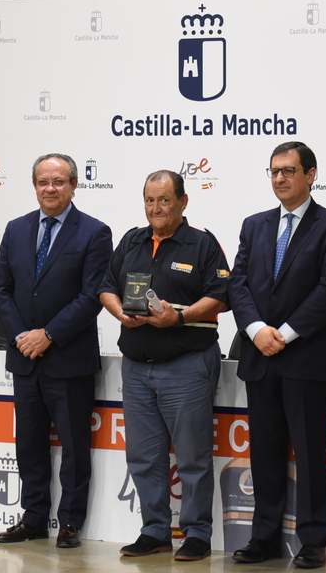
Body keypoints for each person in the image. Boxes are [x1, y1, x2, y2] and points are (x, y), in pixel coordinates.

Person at [227, 141, 326, 569]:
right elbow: (237, 284)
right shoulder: (254, 225)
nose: (280, 178)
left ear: (311, 175)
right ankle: (263, 537)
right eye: (274, 171)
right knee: (264, 453)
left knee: (310, 454)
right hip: (260, 356)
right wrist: (256, 330)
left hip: (307, 359)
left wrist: (282, 333)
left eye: (289, 170)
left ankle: (313, 541)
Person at [99, 170, 230, 562]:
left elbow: (222, 295)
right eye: (150, 200)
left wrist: (181, 317)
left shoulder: (202, 243)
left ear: (183, 202)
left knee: (192, 458)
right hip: (136, 367)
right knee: (143, 456)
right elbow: (106, 287)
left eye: (165, 200)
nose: (156, 208)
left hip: (186, 366)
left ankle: (197, 534)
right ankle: (154, 530)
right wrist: (120, 312)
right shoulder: (131, 240)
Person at [0, 153, 112, 549]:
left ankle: (70, 522)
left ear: (74, 185)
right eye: (43, 181)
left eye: (59, 181)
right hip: (25, 358)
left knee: (75, 447)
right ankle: (34, 518)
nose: (50, 188)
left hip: (68, 359)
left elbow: (92, 296)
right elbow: (0, 289)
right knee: (29, 445)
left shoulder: (94, 232)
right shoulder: (16, 229)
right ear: (34, 185)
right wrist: (21, 336)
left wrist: (48, 335)